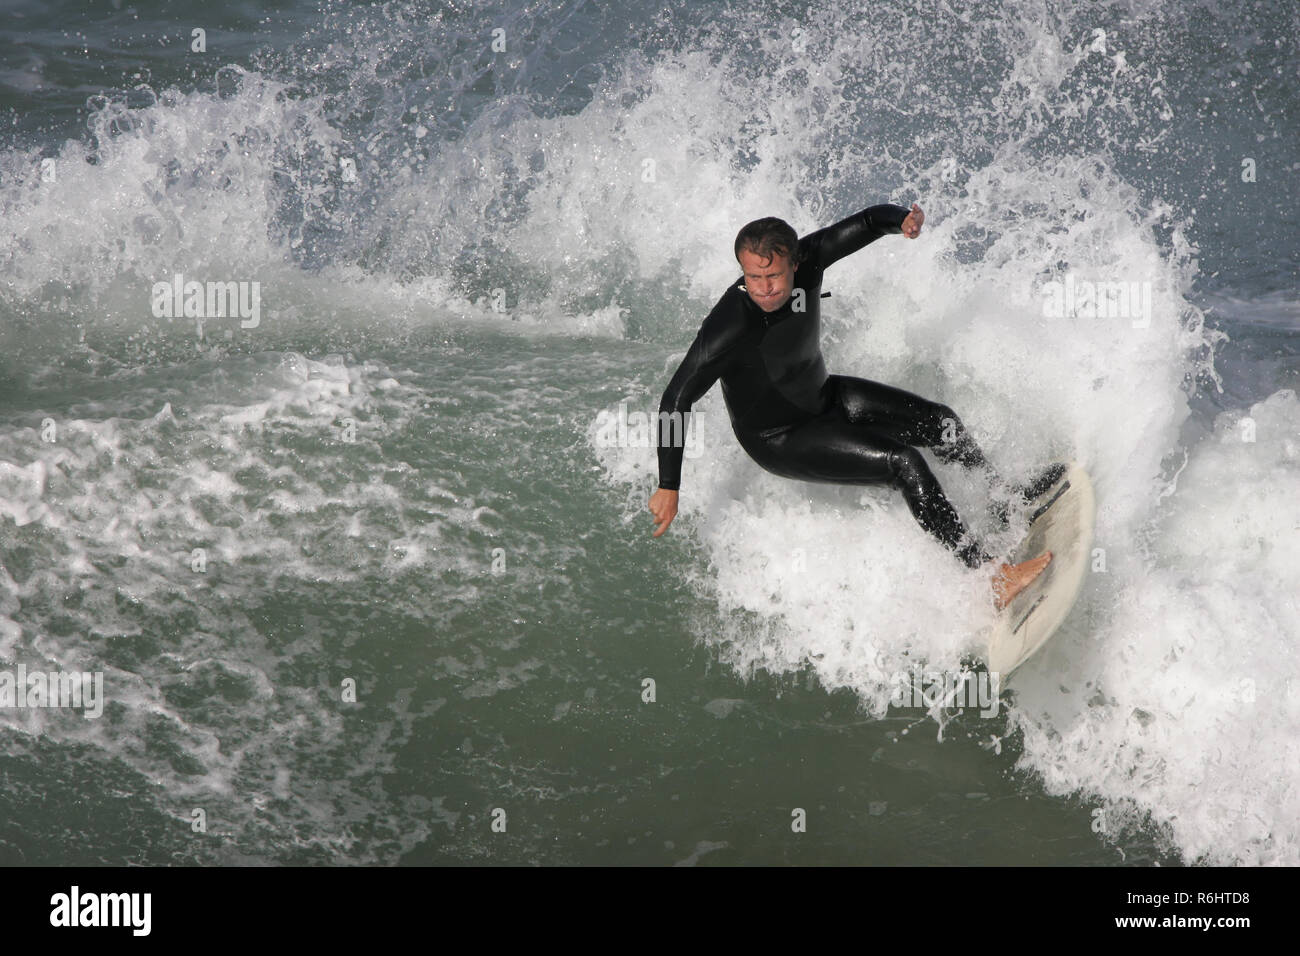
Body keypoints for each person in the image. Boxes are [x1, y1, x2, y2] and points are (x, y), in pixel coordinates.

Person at [646, 202, 1058, 610]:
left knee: (941, 422)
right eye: (752, 277)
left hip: (825, 397)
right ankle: (991, 578)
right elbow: (675, 399)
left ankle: (1006, 501)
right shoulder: (728, 326)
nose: (764, 288)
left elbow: (864, 222)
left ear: (794, 262)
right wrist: (669, 485)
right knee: (905, 463)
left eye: (772, 275)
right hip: (780, 438)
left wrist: (901, 221)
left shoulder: (810, 261)